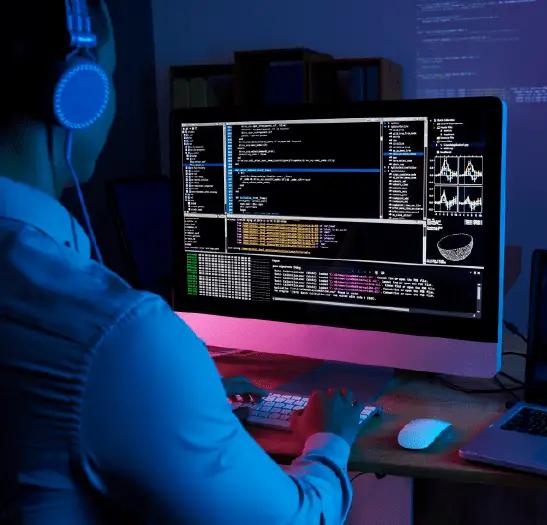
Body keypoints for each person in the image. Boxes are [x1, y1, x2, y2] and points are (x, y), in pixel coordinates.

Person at [0, 2, 363, 523]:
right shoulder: (119, 336)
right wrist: (329, 440)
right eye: (113, 75)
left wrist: (172, 396)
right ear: (77, 96)